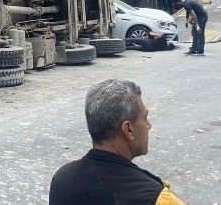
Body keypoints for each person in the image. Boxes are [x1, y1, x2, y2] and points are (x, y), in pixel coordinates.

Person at [49, 80, 184, 205]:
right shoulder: (157, 199)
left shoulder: (62, 180)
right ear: (128, 129)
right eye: (145, 118)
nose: (148, 125)